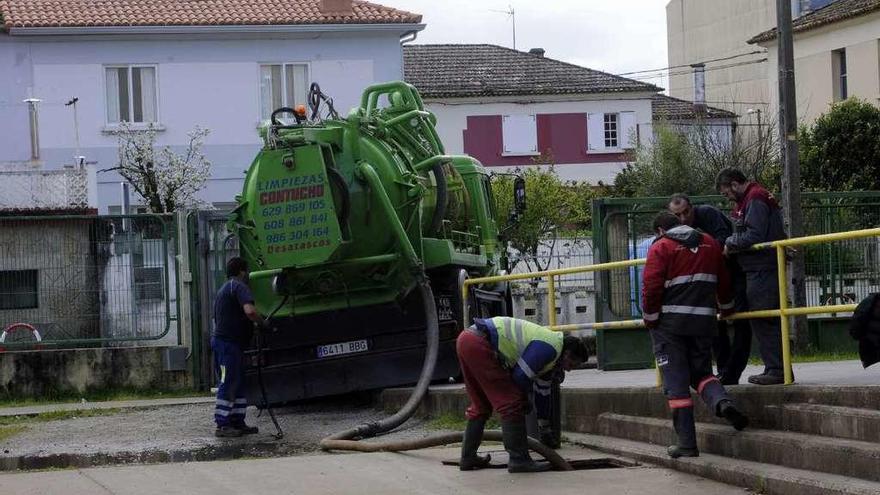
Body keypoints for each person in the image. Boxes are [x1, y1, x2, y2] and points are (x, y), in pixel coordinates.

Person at [642, 212, 749, 458]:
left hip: (671, 326)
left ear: (660, 230)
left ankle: (687, 444)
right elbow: (723, 280)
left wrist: (650, 319)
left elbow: (651, 286)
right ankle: (723, 402)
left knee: (676, 382)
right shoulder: (710, 242)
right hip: (704, 323)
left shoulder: (662, 247)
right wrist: (727, 307)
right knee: (702, 374)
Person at [456, 316, 589, 473]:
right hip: (480, 344)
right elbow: (520, 377)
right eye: (572, 364)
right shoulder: (550, 347)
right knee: (511, 403)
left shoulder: (551, 363)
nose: (569, 370)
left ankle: (467, 458)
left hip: (467, 340)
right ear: (567, 354)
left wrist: (544, 427)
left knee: (481, 406)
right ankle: (519, 460)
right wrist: (524, 400)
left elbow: (543, 395)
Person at [668, 193, 752, 384]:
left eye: (686, 212)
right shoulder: (676, 229)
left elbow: (724, 239)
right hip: (709, 280)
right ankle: (724, 370)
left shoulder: (707, 214)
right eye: (678, 215)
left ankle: (732, 371)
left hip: (733, 275)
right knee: (714, 325)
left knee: (740, 321)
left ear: (692, 207)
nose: (683, 218)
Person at [716, 168, 789, 385]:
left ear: (734, 184)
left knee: (764, 318)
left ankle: (777, 370)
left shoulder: (755, 199)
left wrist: (730, 242)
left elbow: (754, 234)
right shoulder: (752, 198)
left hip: (762, 267)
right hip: (759, 267)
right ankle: (777, 368)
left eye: (726, 192)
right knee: (764, 318)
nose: (727, 197)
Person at [212, 257, 264, 437]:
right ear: (242, 271)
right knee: (228, 381)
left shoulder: (224, 289)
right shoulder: (239, 286)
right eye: (246, 271)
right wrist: (261, 322)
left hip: (229, 345)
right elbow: (250, 311)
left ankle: (237, 421)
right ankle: (223, 424)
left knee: (238, 382)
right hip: (228, 346)